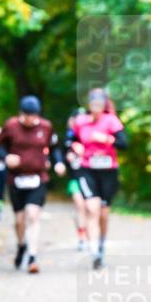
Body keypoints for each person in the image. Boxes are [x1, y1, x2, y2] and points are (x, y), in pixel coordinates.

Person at [0, 95, 66, 274]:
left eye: (34, 116)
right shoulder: (11, 126)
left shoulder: (45, 126)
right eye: (28, 116)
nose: (31, 119)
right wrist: (5, 157)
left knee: (33, 215)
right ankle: (21, 246)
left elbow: (54, 147)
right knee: (19, 219)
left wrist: (57, 162)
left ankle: (33, 257)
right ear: (21, 113)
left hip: (38, 178)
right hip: (16, 179)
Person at [72, 88, 127, 270]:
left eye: (99, 104)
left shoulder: (111, 120)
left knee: (103, 213)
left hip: (108, 172)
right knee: (91, 208)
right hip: (87, 170)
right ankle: (93, 249)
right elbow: (70, 141)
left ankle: (101, 244)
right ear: (89, 104)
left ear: (103, 105)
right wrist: (75, 148)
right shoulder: (81, 122)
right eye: (93, 104)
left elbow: (124, 143)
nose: (96, 107)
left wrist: (106, 139)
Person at [65, 108, 90, 251]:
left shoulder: (91, 133)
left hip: (90, 177)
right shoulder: (70, 136)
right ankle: (81, 237)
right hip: (74, 178)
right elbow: (62, 155)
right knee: (80, 205)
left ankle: (89, 234)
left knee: (89, 208)